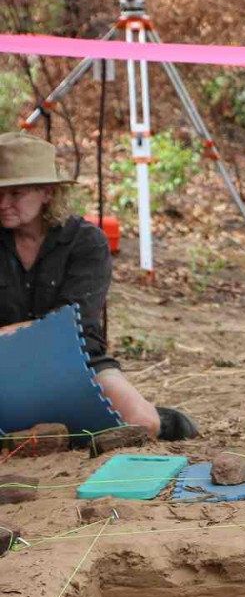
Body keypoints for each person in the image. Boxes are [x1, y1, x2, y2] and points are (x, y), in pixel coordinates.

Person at [0, 132, 196, 441]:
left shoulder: (85, 242)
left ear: (47, 193)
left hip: (77, 364)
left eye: (16, 193)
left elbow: (71, 325)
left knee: (141, 425)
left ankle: (160, 418)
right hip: (5, 366)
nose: (3, 204)